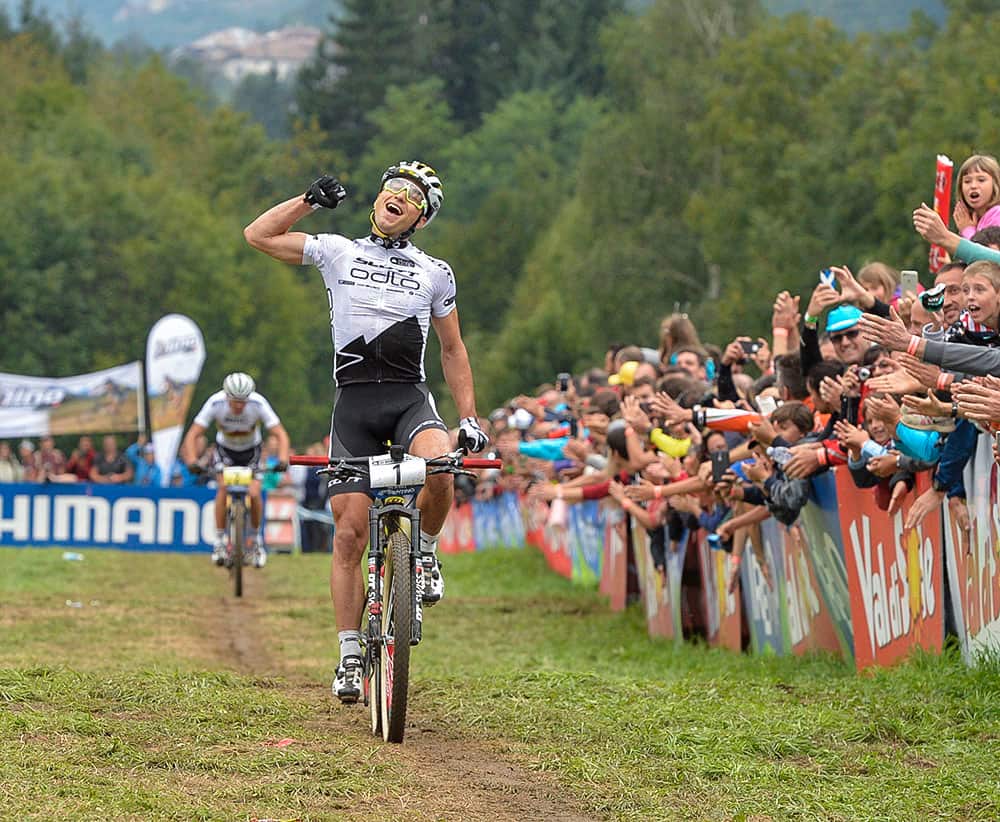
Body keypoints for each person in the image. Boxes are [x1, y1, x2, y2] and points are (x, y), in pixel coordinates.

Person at [243, 161, 488, 704]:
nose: (400, 196)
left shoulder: (435, 272)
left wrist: (470, 419)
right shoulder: (337, 250)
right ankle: (350, 653)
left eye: (415, 196)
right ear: (379, 198)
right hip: (353, 405)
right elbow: (257, 235)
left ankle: (422, 551)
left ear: (421, 219)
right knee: (350, 532)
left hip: (408, 399)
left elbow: (452, 350)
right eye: (394, 187)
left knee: (442, 463)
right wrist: (308, 200)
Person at [180, 372, 290, 569]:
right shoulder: (215, 403)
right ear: (226, 396)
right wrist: (191, 460)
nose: (239, 406)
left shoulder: (258, 403)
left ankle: (256, 541)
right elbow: (193, 434)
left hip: (251, 452)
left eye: (243, 401)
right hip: (225, 452)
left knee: (255, 492)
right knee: (223, 487)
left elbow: (280, 433)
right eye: (235, 401)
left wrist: (282, 459)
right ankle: (220, 541)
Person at [954, 154, 1000, 240]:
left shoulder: (997, 214)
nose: (973, 186)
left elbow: (987, 252)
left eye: (981, 180)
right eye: (967, 181)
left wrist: (967, 230)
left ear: (995, 184)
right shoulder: (970, 220)